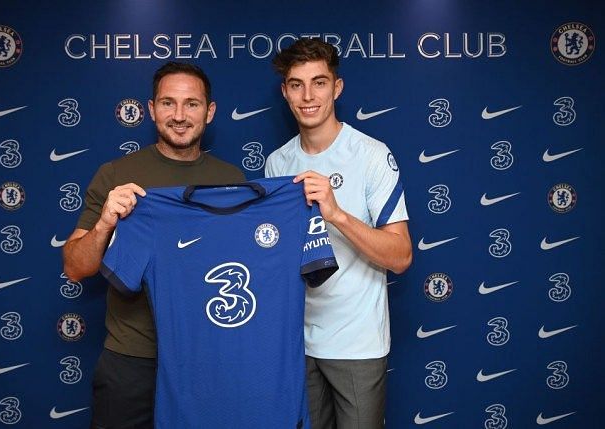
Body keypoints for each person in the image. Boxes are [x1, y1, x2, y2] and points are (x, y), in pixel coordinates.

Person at [63, 62, 245, 429]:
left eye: (192, 104)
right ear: (151, 109)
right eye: (168, 103)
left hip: (205, 358)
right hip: (131, 360)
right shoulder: (116, 175)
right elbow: (75, 267)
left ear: (209, 112)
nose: (179, 115)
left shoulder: (232, 181)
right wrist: (105, 224)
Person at [265, 38, 413, 429]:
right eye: (296, 84)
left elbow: (401, 255)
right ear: (285, 92)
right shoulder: (277, 162)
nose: (308, 95)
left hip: (356, 344)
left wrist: (336, 214)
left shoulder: (371, 154)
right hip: (297, 342)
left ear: (337, 87)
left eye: (319, 82)